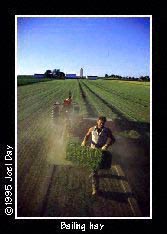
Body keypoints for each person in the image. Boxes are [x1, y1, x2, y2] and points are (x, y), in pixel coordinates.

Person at [81, 116, 115, 195]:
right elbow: (87, 135)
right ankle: (95, 189)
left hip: (101, 151)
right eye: (100, 122)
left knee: (97, 168)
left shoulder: (107, 131)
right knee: (94, 170)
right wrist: (84, 142)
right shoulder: (92, 129)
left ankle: (94, 178)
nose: (101, 124)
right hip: (92, 150)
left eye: (103, 123)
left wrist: (106, 145)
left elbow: (113, 139)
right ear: (97, 121)